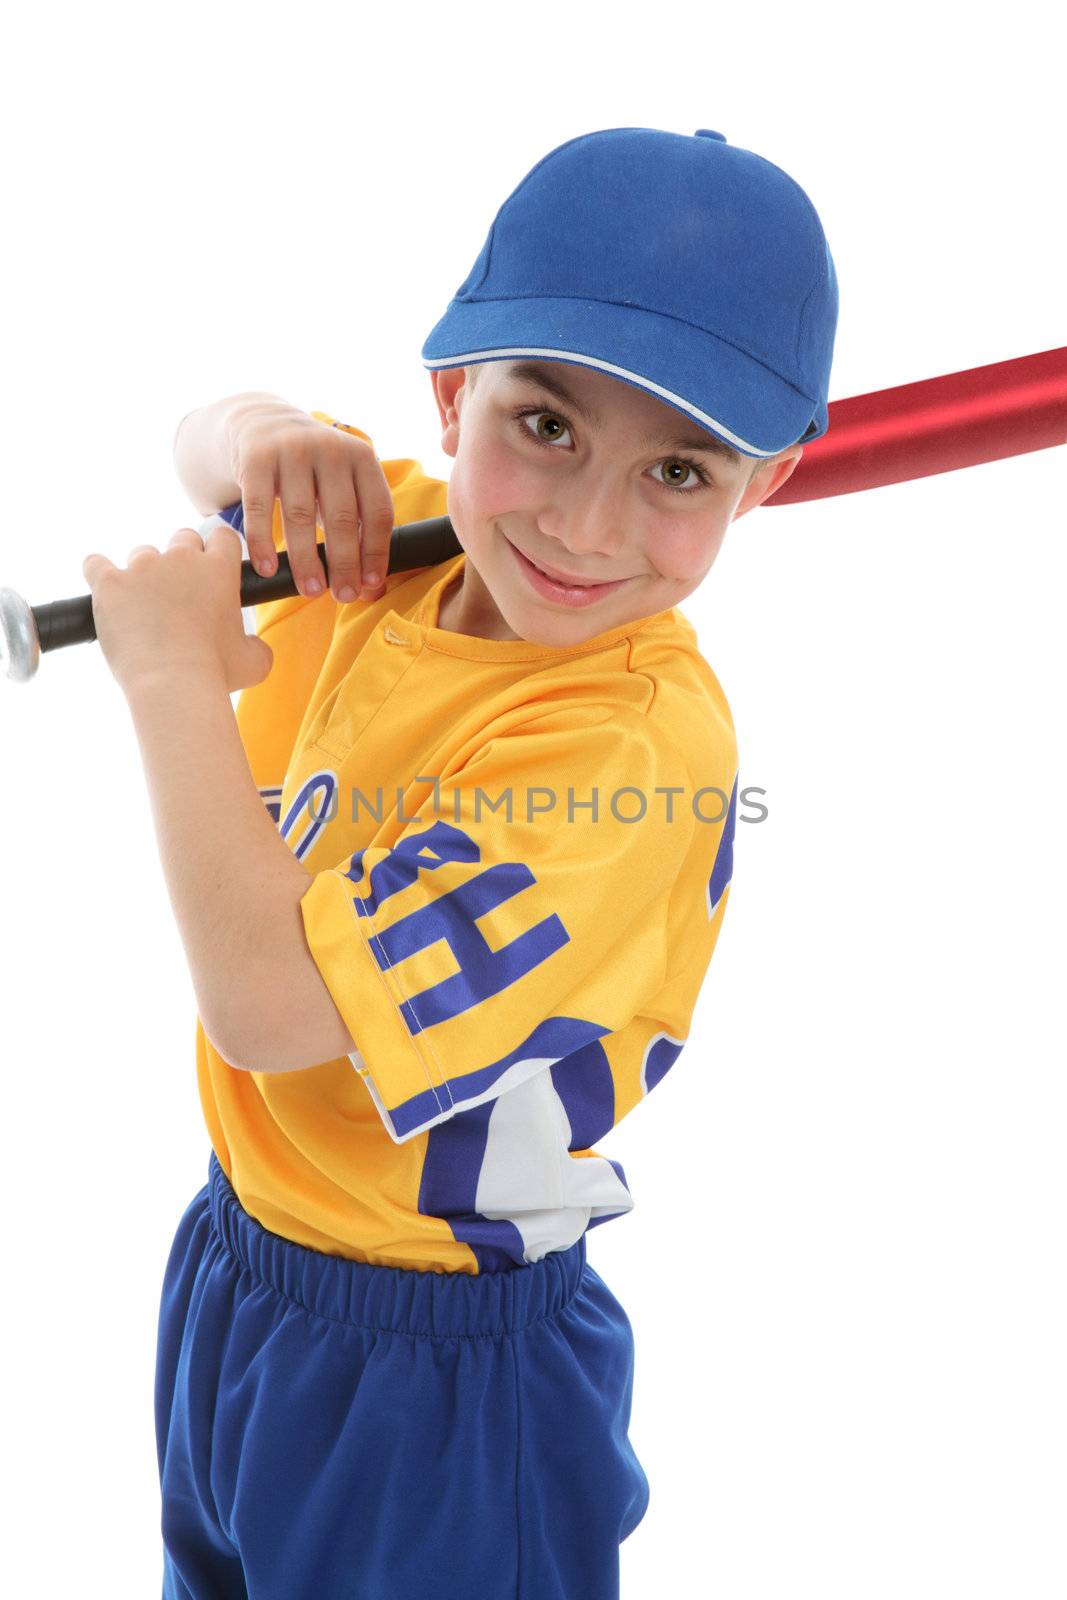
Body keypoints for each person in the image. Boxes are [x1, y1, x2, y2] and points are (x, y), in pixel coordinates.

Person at [84, 126, 838, 1600]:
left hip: (436, 1374)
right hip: (243, 1264)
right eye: (545, 427)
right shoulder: (405, 553)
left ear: (762, 486)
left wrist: (171, 683)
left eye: (677, 469)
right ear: (450, 397)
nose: (581, 521)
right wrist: (258, 439)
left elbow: (264, 1001)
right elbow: (205, 434)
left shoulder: (624, 749)